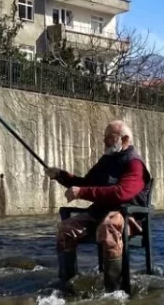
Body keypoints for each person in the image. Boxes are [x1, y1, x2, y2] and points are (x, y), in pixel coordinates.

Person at [46, 120, 152, 291]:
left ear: (124, 140)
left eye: (109, 138)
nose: (104, 142)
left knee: (108, 227)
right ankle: (68, 285)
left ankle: (114, 289)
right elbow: (86, 183)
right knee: (65, 229)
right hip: (98, 213)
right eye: (105, 138)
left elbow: (122, 192)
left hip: (128, 216)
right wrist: (60, 175)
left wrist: (81, 192)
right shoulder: (106, 160)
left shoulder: (135, 164)